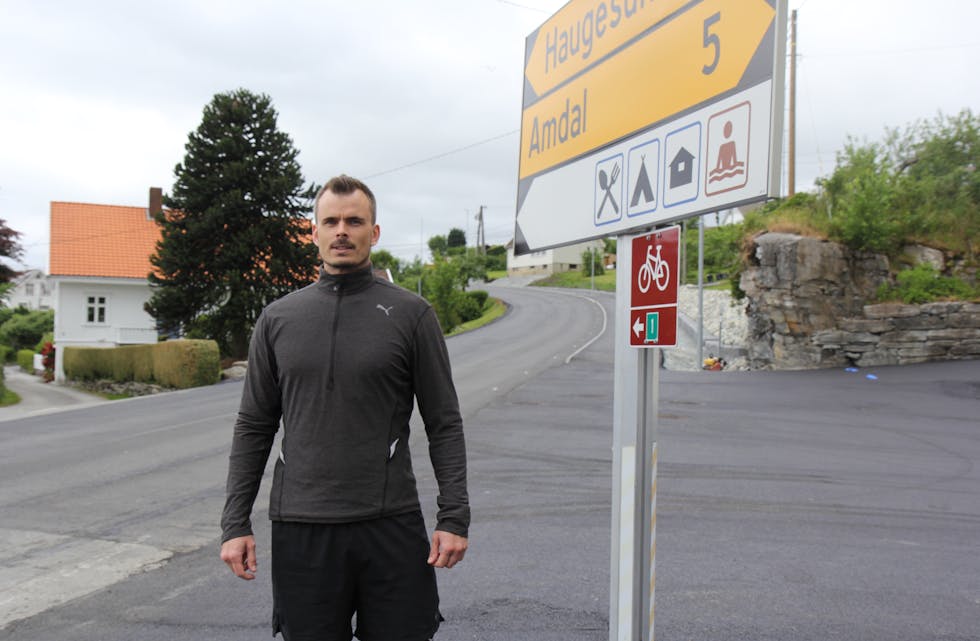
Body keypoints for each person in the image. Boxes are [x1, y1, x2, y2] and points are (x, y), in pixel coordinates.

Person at [219, 174, 469, 641]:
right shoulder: (277, 319)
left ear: (373, 233)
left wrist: (453, 517)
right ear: (313, 233)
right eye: (330, 221)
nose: (341, 231)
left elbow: (444, 423)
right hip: (302, 528)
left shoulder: (412, 315)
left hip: (390, 524)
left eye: (354, 221)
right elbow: (254, 426)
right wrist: (234, 524)